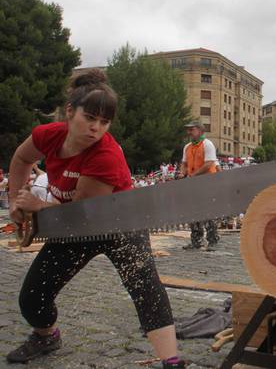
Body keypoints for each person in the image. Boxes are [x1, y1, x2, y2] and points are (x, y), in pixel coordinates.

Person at [6, 69, 185, 368]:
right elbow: (22, 159)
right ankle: (46, 335)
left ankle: (172, 360)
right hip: (73, 224)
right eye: (89, 118)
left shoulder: (106, 156)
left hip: (119, 225)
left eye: (104, 122)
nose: (96, 129)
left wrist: (38, 204)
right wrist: (14, 201)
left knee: (144, 286)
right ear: (69, 111)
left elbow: (81, 210)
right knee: (32, 297)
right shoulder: (48, 135)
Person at [178, 120, 219, 251]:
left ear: (201, 131)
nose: (189, 132)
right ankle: (196, 241)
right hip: (193, 183)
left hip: (207, 182)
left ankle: (212, 240)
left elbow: (209, 164)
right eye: (188, 130)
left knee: (208, 212)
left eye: (192, 129)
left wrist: (193, 175)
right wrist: (182, 172)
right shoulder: (187, 147)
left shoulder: (208, 145)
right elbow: (184, 163)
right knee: (192, 212)